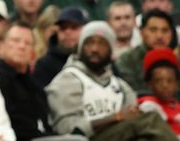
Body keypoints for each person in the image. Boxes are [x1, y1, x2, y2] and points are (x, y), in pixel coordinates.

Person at [46, 21, 176, 140]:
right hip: (85, 139)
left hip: (119, 136)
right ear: (80, 48)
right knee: (150, 119)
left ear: (111, 51)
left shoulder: (120, 85)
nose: (95, 49)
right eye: (90, 43)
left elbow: (133, 118)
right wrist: (115, 117)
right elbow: (67, 129)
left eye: (102, 43)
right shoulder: (68, 79)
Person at [0, 22, 85, 141]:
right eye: (15, 41)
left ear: (33, 53)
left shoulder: (34, 84)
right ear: (1, 46)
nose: (22, 46)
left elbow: (45, 123)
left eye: (27, 43)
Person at [115, 9, 177, 95]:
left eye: (165, 30)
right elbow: (131, 92)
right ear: (141, 32)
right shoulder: (127, 60)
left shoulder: (176, 60)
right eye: (153, 30)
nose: (159, 36)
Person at [34, 7, 88, 88]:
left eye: (74, 27)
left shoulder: (97, 60)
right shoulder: (45, 65)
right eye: (63, 28)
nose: (67, 32)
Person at [137, 48, 180, 135]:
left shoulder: (177, 106)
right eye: (158, 81)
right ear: (150, 85)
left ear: (177, 84)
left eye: (170, 80)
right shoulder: (148, 104)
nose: (165, 85)